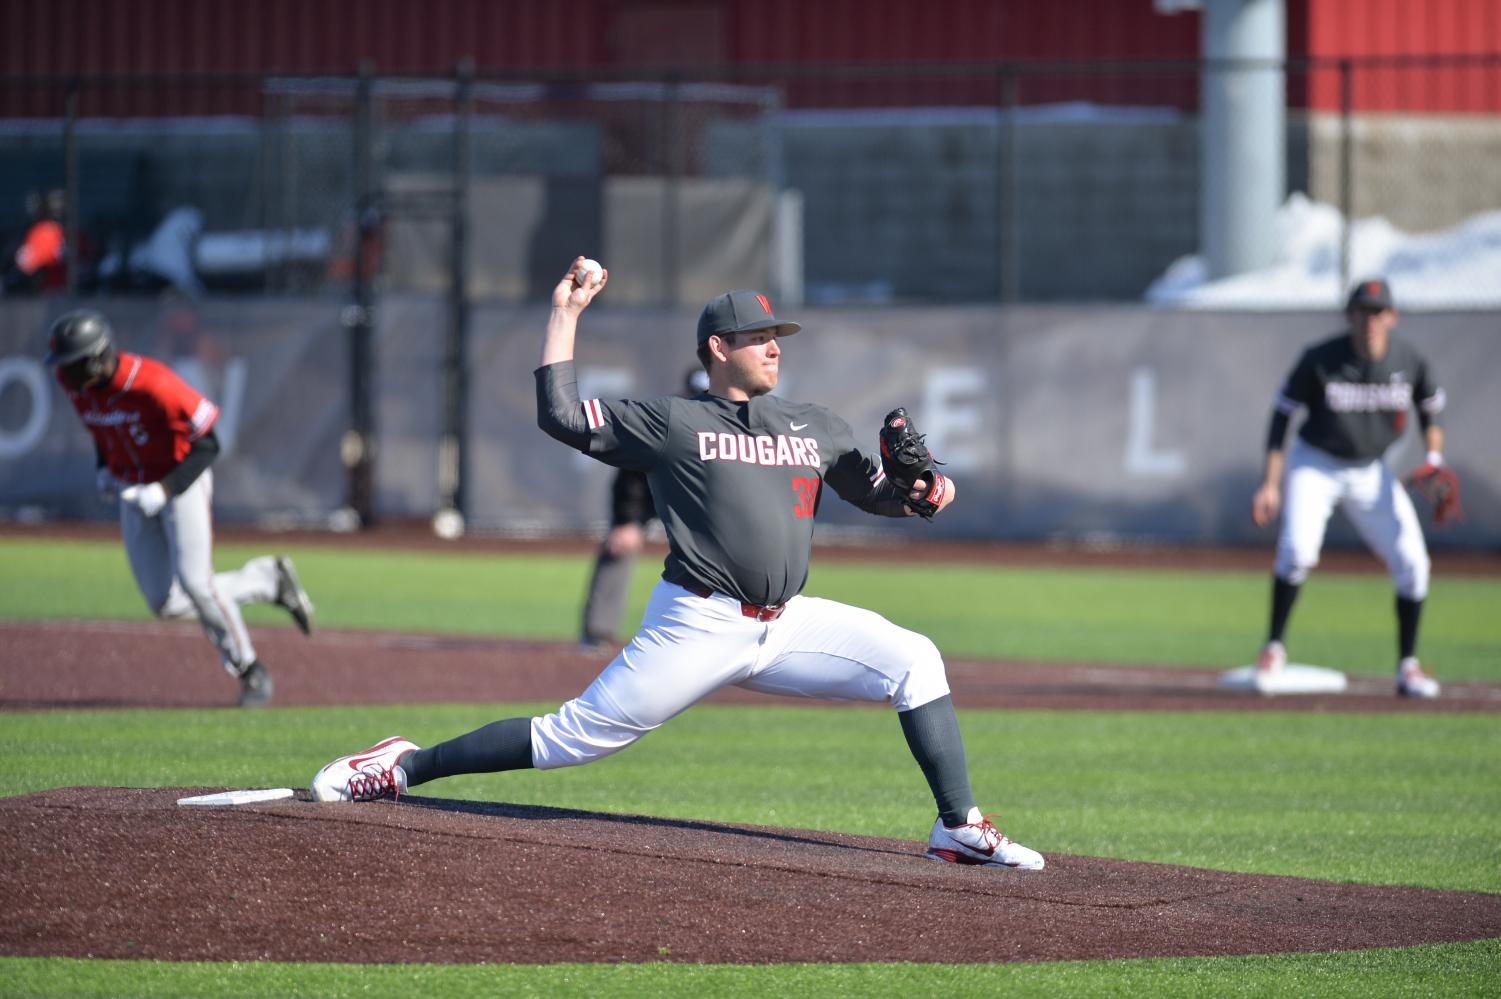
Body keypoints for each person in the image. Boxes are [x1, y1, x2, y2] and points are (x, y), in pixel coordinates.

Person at [310, 256, 1046, 871]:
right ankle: (404, 764)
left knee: (914, 659)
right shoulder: (673, 423)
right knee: (570, 737)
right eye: (757, 336)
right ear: (717, 348)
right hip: (697, 622)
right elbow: (560, 416)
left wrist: (924, 493)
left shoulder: (812, 424)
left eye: (777, 334)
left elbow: (877, 494)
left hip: (785, 623)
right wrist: (565, 313)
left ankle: (956, 826)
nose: (774, 346)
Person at [45, 309, 317, 707]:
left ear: (99, 357)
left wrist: (164, 490)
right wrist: (106, 468)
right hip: (131, 489)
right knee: (165, 602)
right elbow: (103, 430)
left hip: (179, 480)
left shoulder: (153, 383)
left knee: (197, 584)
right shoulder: (76, 387)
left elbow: (209, 444)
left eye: (74, 365)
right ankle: (267, 581)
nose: (66, 375)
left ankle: (249, 669)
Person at [1250, 278, 1447, 698]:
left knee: (1414, 563)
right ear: (1349, 316)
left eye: (1377, 311)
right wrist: (1270, 483)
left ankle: (1407, 667)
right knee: (1298, 550)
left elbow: (1431, 412)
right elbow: (1281, 417)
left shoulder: (1408, 361)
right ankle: (1273, 647)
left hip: (1369, 470)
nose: (1369, 320)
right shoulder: (1322, 359)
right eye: (1361, 311)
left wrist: (1433, 460)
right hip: (1316, 462)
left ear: (1392, 317)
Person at [578, 366, 711, 652]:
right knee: (619, 549)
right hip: (653, 499)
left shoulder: (730, 423)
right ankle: (598, 632)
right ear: (684, 393)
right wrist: (627, 521)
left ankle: (707, 634)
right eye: (695, 395)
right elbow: (631, 475)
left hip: (702, 507)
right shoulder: (665, 422)